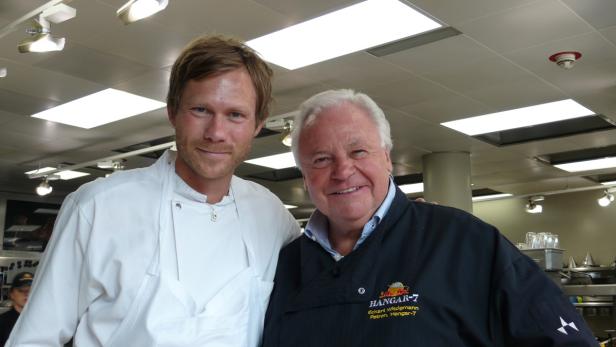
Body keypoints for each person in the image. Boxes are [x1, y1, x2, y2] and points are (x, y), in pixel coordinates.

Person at [7, 35, 300, 347]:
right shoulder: (98, 207)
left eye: (236, 115)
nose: (216, 132)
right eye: (201, 109)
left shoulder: (271, 215)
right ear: (172, 111)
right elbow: (34, 340)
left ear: (258, 124)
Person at [262, 89, 597, 346]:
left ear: (387, 159)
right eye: (321, 159)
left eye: (358, 151)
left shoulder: (465, 242)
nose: (343, 171)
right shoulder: (283, 267)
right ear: (305, 178)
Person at [0, 272, 33, 346]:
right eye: (21, 290)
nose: (26, 294)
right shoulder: (2, 322)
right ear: (11, 294)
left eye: (31, 290)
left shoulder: (45, 321)